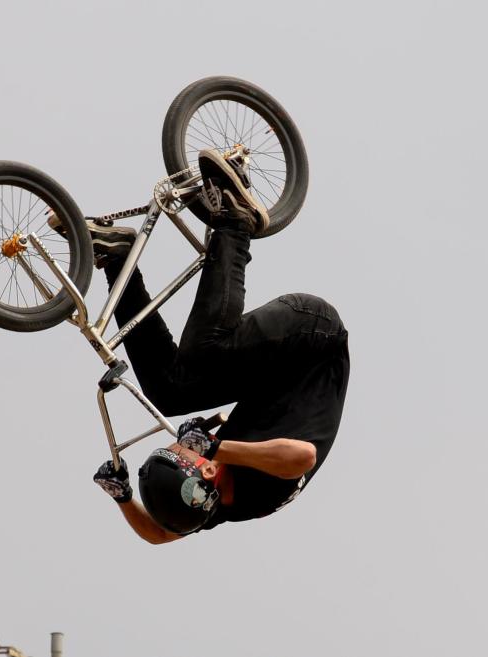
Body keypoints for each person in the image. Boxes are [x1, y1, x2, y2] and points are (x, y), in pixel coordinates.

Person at [64, 149, 350, 542]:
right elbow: (302, 457)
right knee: (206, 352)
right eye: (188, 454)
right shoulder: (260, 489)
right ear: (208, 469)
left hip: (268, 373)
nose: (186, 446)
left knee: (168, 392)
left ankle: (117, 259)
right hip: (313, 340)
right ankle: (235, 220)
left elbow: (160, 535)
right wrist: (217, 446)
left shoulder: (204, 502)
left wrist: (123, 497)